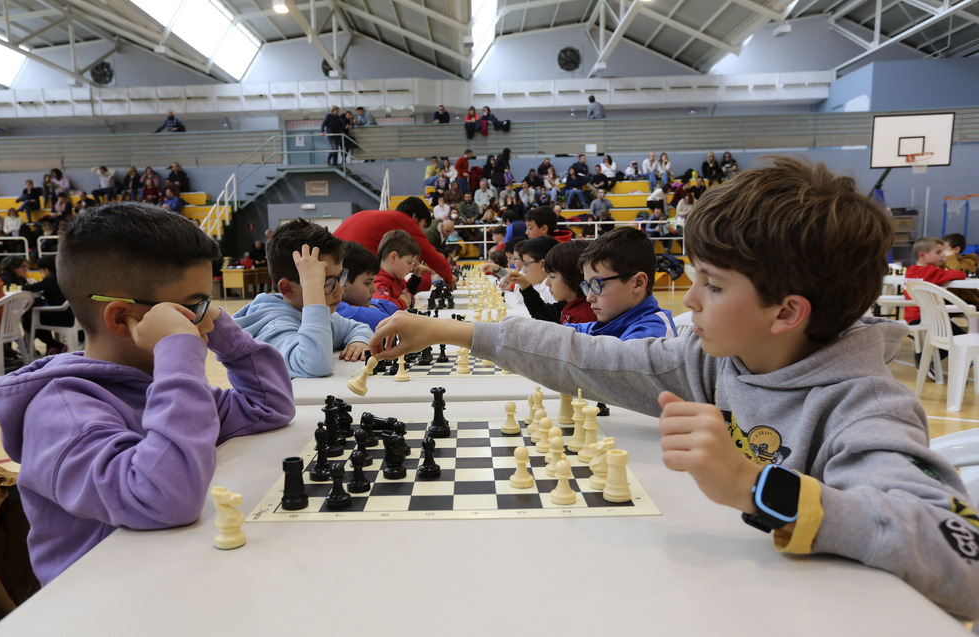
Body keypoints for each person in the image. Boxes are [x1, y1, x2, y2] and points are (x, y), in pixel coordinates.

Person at [369, 155, 979, 620]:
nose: (687, 302)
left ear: (787, 312)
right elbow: (587, 356)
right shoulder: (714, 360)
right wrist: (451, 329)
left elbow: (964, 560)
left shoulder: (867, 407)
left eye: (711, 285)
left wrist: (753, 485)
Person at [0, 203, 295, 585]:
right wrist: (178, 350)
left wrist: (221, 332)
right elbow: (164, 497)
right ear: (119, 318)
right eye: (193, 306)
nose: (205, 317)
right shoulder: (64, 415)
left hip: (170, 579)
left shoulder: (149, 385)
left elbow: (268, 406)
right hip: (104, 605)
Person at [232, 219, 373, 378]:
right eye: (325, 282)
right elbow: (315, 365)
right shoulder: (273, 328)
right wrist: (314, 294)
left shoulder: (318, 314)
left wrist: (358, 342)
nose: (341, 289)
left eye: (341, 277)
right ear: (288, 289)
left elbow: (357, 328)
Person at [567, 226, 673, 339]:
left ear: (638, 283)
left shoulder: (652, 336)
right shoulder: (611, 321)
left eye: (598, 285)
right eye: (587, 286)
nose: (589, 297)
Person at [333, 197, 454, 286]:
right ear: (414, 217)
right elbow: (431, 256)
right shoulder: (407, 222)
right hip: (354, 259)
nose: (420, 231)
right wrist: (449, 278)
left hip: (334, 255)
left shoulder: (386, 218)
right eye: (422, 225)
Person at [902, 237, 967, 327]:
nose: (942, 255)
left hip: (911, 317)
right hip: (931, 319)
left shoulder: (910, 270)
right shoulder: (932, 272)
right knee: (961, 335)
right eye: (938, 252)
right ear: (923, 255)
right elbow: (961, 274)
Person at [335, 241, 398, 330]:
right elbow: (391, 320)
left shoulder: (353, 302)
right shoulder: (339, 311)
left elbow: (391, 306)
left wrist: (370, 306)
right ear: (343, 281)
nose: (374, 289)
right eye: (367, 283)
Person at [22, 256, 71, 355]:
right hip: (70, 314)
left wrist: (28, 283)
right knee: (37, 317)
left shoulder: (49, 280)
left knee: (28, 319)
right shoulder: (62, 277)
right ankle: (52, 345)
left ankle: (52, 344)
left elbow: (28, 288)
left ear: (46, 270)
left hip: (59, 316)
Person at [372, 229, 421, 312]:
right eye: (409, 262)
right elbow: (383, 306)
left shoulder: (399, 279)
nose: (411, 268)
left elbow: (408, 296)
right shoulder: (379, 281)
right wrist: (402, 302)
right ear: (393, 257)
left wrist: (410, 300)